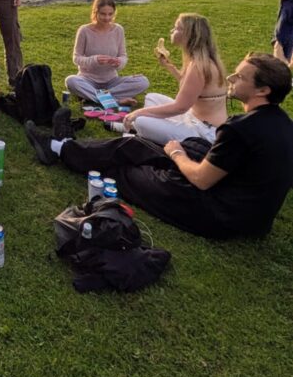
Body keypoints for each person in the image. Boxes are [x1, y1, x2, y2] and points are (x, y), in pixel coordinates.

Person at [27, 53, 293, 239]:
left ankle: (62, 148)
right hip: (246, 211)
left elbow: (201, 180)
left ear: (263, 91)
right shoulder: (283, 124)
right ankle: (62, 146)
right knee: (134, 147)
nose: (232, 78)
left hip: (215, 212)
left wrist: (177, 154)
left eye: (241, 76)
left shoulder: (242, 129)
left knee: (121, 170)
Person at [120, 13, 227, 144]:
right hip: (194, 118)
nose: (172, 31)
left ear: (188, 35)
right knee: (152, 97)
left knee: (140, 120)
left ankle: (136, 130)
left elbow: (180, 107)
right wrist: (170, 67)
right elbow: (189, 87)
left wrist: (139, 112)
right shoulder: (199, 60)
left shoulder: (199, 66)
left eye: (176, 28)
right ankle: (139, 130)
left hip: (204, 132)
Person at [65, 0, 149, 105]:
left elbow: (123, 55)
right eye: (103, 14)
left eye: (110, 14)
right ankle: (116, 100)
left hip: (111, 81)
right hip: (87, 80)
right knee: (71, 81)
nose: (107, 18)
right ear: (95, 12)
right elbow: (76, 58)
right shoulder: (84, 30)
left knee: (142, 81)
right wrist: (94, 60)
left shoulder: (118, 30)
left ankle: (96, 97)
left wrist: (118, 62)